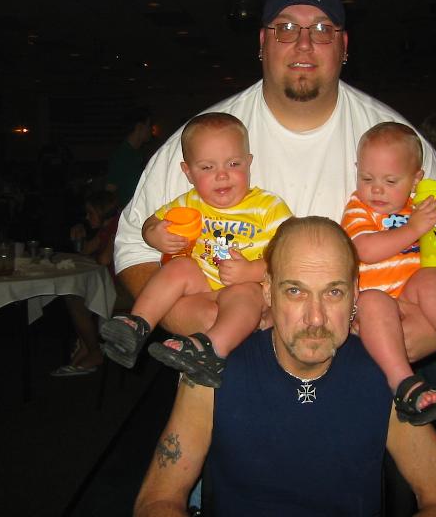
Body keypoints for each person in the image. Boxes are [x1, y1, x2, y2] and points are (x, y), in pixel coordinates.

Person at [115, 0, 436, 363]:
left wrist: (432, 330)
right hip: (227, 359)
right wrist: (185, 314)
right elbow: (133, 245)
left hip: (367, 357)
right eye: (286, 28)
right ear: (263, 42)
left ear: (343, 46)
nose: (304, 44)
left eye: (322, 29)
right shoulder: (203, 138)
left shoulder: (394, 139)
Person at [133, 216, 436, 516]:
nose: (316, 318)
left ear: (355, 293)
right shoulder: (210, 371)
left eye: (333, 293)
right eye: (295, 291)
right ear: (268, 292)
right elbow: (157, 500)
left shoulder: (384, 372)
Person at [100, 113, 292, 387]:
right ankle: (137, 325)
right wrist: (154, 235)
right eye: (207, 167)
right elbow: (151, 222)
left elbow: (291, 256)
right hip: (201, 287)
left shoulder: (268, 207)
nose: (222, 174)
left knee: (246, 292)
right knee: (181, 266)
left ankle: (210, 351)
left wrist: (252, 270)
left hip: (247, 294)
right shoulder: (189, 202)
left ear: (249, 163)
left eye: (234, 164)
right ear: (188, 173)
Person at [342, 123, 436, 426]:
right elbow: (364, 249)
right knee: (372, 300)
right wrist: (414, 228)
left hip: (413, 299)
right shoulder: (360, 208)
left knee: (431, 276)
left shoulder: (419, 209)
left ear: (415, 179)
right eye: (367, 178)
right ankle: (403, 382)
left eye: (390, 180)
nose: (376, 189)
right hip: (374, 308)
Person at [51, 190, 120, 376]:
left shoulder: (117, 227)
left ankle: (94, 351)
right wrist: (80, 236)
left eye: (91, 213)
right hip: (108, 283)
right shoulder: (105, 229)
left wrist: (96, 253)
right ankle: (87, 347)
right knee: (75, 292)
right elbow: (85, 251)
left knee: (75, 298)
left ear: (102, 212)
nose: (87, 217)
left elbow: (104, 259)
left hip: (123, 290)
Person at [105, 115, 153, 207]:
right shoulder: (122, 154)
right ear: (139, 126)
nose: (151, 130)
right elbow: (109, 191)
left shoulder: (139, 153)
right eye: (149, 125)